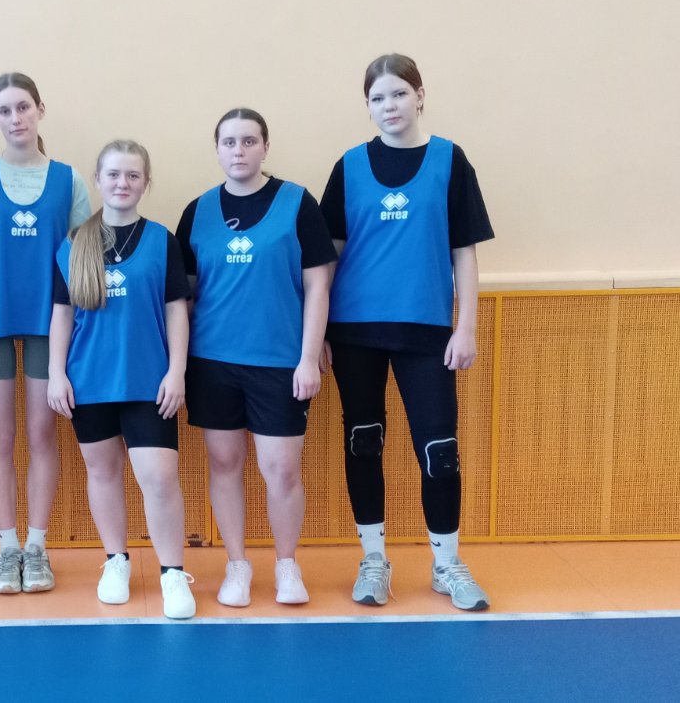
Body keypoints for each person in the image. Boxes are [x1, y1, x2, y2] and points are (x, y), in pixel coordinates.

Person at [322, 54, 495, 611]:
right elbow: (327, 260)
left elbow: (464, 252)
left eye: (398, 94)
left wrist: (465, 326)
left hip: (427, 331)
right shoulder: (349, 167)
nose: (389, 106)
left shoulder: (450, 160)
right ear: (367, 106)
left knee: (439, 449)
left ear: (421, 95)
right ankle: (374, 560)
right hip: (355, 331)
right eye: (377, 98)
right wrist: (317, 332)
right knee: (363, 440)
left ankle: (447, 565)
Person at [176, 108, 335, 607]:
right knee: (224, 463)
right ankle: (237, 566)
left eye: (249, 141)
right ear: (217, 149)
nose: (239, 151)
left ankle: (287, 565)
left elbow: (318, 285)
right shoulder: (197, 212)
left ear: (266, 146)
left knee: (281, 468)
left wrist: (308, 356)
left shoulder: (297, 203)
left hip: (280, 361)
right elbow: (184, 297)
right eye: (229, 142)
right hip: (212, 361)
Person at [0, 73, 91, 594]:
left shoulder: (69, 181)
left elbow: (82, 262)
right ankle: (6, 547)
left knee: (41, 434)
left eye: (23, 107)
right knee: (0, 437)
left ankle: (36, 546)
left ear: (40, 110)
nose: (16, 118)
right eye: (5, 110)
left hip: (49, 322)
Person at [48, 140, 196, 619]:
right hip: (89, 381)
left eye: (133, 175)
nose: (122, 183)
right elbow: (62, 314)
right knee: (103, 472)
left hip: (149, 382)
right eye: (113, 174)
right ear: (98, 179)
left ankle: (172, 573)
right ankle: (116, 561)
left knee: (159, 478)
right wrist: (56, 374)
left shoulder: (162, 241)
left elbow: (176, 310)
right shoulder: (74, 243)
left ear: (146, 183)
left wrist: (176, 371)